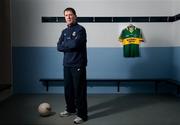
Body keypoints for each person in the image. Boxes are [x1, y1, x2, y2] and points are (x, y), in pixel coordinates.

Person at [57, 7, 88, 124]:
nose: (68, 17)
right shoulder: (64, 32)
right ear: (65, 18)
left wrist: (67, 44)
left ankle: (82, 115)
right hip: (67, 64)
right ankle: (70, 109)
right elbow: (58, 46)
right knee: (68, 89)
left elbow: (76, 44)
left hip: (78, 64)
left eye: (70, 14)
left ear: (75, 16)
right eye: (66, 15)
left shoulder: (81, 30)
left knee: (79, 90)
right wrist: (69, 44)